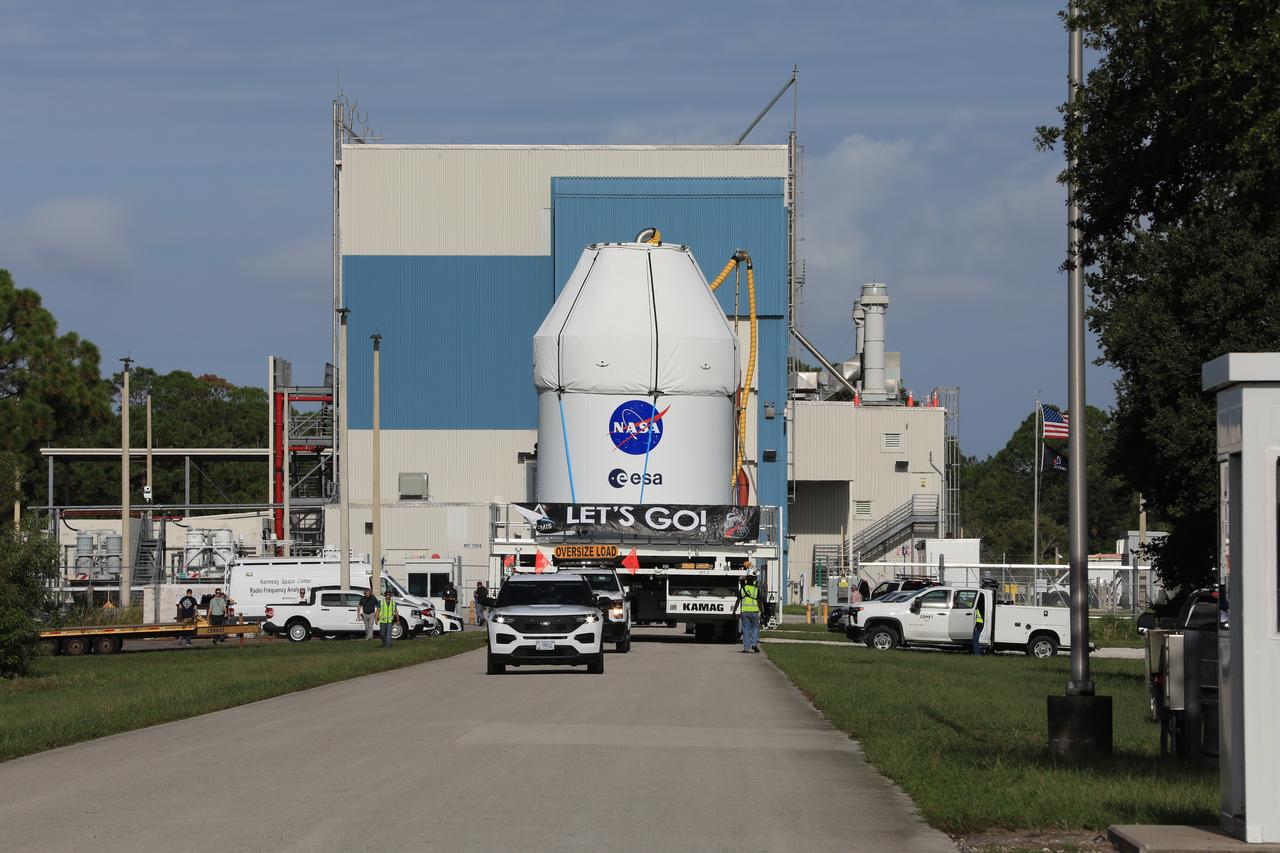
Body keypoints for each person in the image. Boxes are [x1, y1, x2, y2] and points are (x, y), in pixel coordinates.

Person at [734, 573, 762, 654]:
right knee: (755, 628)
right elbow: (759, 601)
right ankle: (754, 643)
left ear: (746, 581)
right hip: (754, 612)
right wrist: (762, 611)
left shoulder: (743, 589)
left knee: (746, 629)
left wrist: (734, 611)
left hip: (744, 612)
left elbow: (738, 601)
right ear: (753, 581)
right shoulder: (756, 589)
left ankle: (746, 648)